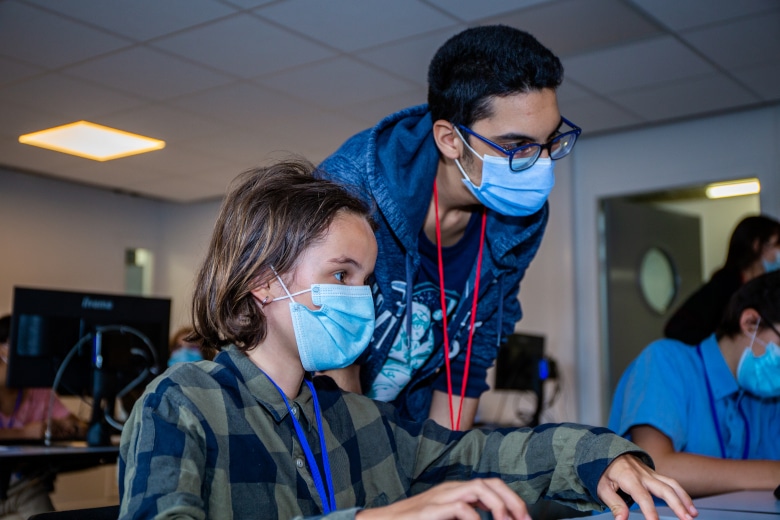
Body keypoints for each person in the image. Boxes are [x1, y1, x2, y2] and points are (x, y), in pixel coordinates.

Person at [118, 159, 698, 520]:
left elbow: (483, 454)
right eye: (341, 275)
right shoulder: (182, 403)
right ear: (263, 282)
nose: (361, 298)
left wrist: (602, 455)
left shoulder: (357, 419)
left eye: (368, 281)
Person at [319, 25, 581, 430]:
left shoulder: (521, 219)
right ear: (450, 140)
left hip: (405, 424)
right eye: (517, 146)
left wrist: (445, 470)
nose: (540, 164)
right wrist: (366, 466)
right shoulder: (352, 188)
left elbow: (471, 355)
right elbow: (329, 344)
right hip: (316, 426)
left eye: (549, 142)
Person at [609, 271, 780, 498]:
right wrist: (772, 473)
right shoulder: (665, 361)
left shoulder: (766, 400)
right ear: (750, 323)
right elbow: (655, 466)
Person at [0, 315, 86, 520]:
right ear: (2, 348)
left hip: (22, 486)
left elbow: (77, 424)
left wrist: (66, 426)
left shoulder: (36, 387)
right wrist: (23, 433)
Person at [665, 214, 780, 345]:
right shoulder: (725, 285)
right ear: (757, 245)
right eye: (777, 244)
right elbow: (677, 328)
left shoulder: (762, 289)